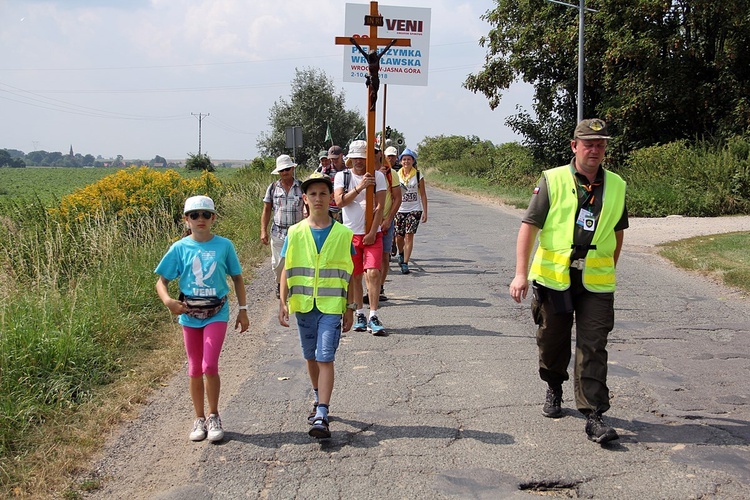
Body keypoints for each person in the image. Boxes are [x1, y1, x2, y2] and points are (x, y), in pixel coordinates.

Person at [508, 118, 628, 445]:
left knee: (593, 344)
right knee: (552, 340)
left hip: (595, 281)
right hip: (554, 277)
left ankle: (594, 415)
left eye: (600, 144)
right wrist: (521, 273)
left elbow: (617, 232)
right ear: (574, 146)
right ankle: (554, 385)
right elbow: (529, 227)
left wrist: (608, 266)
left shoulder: (616, 185)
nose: (595, 150)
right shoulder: (553, 180)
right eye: (588, 144)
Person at [155, 195, 250, 443]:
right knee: (195, 368)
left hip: (216, 312)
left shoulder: (224, 246)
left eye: (206, 215)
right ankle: (199, 418)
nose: (200, 220)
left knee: (210, 365)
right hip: (190, 315)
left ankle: (214, 415)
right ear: (186, 220)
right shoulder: (179, 248)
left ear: (213, 218)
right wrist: (168, 301)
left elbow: (237, 278)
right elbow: (161, 281)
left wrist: (243, 309)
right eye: (194, 215)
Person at [278, 172, 356, 439]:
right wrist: (282, 301)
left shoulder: (344, 234)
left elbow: (352, 273)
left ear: (331, 197)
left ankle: (322, 412)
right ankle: (317, 396)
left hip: (332, 306)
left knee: (325, 356)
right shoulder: (295, 232)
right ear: (305, 199)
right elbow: (287, 268)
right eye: (313, 194)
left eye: (324, 193)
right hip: (303, 305)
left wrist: (351, 307)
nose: (318, 198)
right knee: (310, 355)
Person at [334, 139, 388, 336]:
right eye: (355, 158)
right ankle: (360, 313)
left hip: (372, 233)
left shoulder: (379, 177)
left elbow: (380, 206)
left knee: (373, 272)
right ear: (350, 159)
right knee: (355, 276)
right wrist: (360, 187)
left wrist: (373, 232)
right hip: (350, 234)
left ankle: (373, 314)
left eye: (362, 158)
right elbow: (339, 202)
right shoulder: (342, 177)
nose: (358, 161)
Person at [261, 155, 305, 299]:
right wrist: (263, 231)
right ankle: (280, 284)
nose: (285, 172)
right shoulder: (273, 188)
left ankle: (294, 286)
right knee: (278, 263)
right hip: (278, 232)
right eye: (282, 170)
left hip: (297, 232)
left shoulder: (301, 186)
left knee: (297, 261)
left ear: (292, 169)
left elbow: (308, 208)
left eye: (287, 169)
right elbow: (267, 210)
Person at [394, 148, 428, 275]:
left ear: (413, 161)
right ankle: (401, 253)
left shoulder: (418, 175)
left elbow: (423, 194)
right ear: (401, 161)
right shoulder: (396, 175)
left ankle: (405, 263)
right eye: (404, 159)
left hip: (414, 209)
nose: (406, 161)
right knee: (399, 236)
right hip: (399, 209)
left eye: (409, 159)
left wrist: (425, 211)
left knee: (409, 235)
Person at [378, 145, 402, 300]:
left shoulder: (391, 174)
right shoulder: (365, 175)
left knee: (384, 255)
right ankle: (370, 287)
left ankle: (379, 287)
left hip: (386, 221)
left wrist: (388, 219)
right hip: (366, 223)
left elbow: (397, 198)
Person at [317, 145, 347, 223]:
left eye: (336, 158)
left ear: (341, 156)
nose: (334, 161)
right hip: (329, 209)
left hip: (344, 210)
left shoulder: (347, 171)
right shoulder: (325, 171)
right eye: (332, 158)